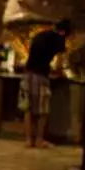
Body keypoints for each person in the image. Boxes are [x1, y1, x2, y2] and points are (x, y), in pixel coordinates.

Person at [20, 19, 69, 148]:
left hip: (27, 74)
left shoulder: (39, 35)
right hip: (41, 76)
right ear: (64, 32)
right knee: (42, 110)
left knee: (28, 108)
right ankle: (40, 140)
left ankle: (28, 140)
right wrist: (60, 71)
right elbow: (60, 62)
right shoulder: (59, 39)